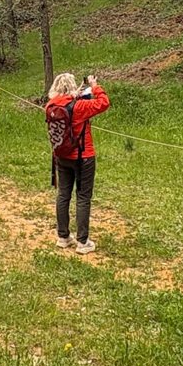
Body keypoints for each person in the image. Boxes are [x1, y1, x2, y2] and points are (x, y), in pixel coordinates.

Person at [46, 73, 110, 255]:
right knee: (83, 197)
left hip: (61, 156)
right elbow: (104, 102)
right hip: (83, 157)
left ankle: (63, 237)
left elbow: (67, 101)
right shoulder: (80, 106)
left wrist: (79, 93)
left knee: (63, 194)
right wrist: (95, 85)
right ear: (72, 87)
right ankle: (83, 242)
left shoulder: (50, 105)